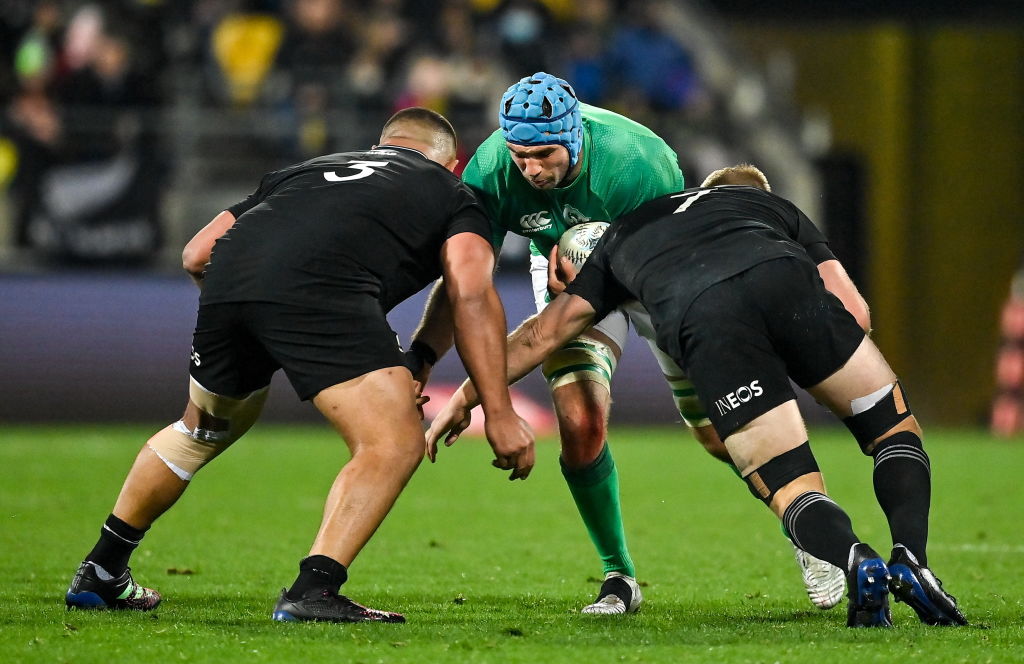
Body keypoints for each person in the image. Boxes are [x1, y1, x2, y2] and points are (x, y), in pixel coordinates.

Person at [426, 165, 968, 628]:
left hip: (707, 319)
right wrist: (820, 356)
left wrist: (471, 393)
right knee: (894, 430)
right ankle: (911, 557)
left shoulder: (625, 233)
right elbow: (856, 310)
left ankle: (856, 560)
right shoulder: (771, 208)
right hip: (785, 281)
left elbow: (543, 334)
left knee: (790, 487)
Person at [64, 107, 535, 623]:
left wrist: (260, 322)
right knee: (394, 440)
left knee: (199, 432)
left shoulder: (304, 170)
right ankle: (314, 589)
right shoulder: (454, 194)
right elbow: (469, 292)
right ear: (451, 164)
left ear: (381, 147)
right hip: (322, 292)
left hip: (229, 289)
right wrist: (500, 411)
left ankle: (102, 569)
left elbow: (197, 254)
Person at [406, 72, 844, 614]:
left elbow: (683, 257)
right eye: (521, 156)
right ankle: (618, 577)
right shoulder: (493, 170)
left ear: (574, 137)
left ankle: (814, 530)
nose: (531, 169)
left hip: (659, 272)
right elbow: (465, 283)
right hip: (568, 274)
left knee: (721, 433)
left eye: (544, 154)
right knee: (580, 421)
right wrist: (428, 359)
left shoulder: (641, 162)